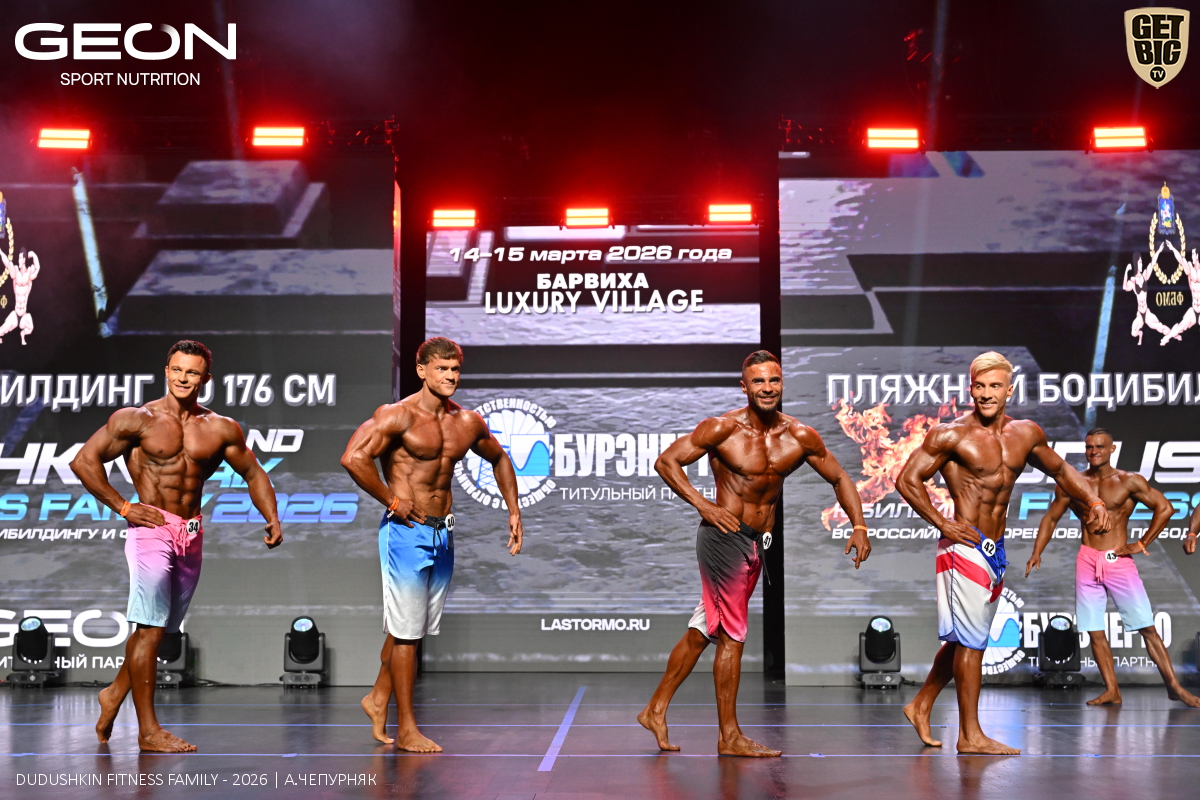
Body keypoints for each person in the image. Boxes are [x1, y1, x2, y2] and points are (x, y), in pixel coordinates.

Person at [637, 350, 872, 757]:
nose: (767, 388)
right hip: (723, 538)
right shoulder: (722, 429)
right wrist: (704, 505)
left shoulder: (799, 436)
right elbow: (667, 462)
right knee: (732, 636)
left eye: (773, 380)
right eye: (758, 381)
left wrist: (859, 525)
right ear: (744, 386)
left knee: (704, 630)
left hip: (756, 544)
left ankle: (655, 710)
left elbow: (838, 477)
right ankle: (729, 737)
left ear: (782, 384)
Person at [70, 340, 283, 752]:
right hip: (150, 527)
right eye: (177, 370)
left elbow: (254, 472)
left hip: (190, 532)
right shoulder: (137, 419)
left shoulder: (221, 428)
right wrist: (124, 506)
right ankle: (148, 732)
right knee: (150, 627)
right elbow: (83, 461)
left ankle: (113, 694)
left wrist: (272, 516)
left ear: (206, 378)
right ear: (166, 371)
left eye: (193, 372)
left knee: (161, 631)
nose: (183, 378)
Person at [896, 351, 1110, 755]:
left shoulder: (1025, 433)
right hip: (963, 547)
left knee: (967, 639)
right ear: (970, 388)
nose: (986, 394)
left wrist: (1094, 501)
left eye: (995, 386)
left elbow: (1062, 471)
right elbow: (907, 479)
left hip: (995, 550)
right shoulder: (951, 434)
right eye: (979, 386)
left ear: (1010, 390)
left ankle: (921, 704)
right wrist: (943, 524)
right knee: (973, 643)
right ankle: (969, 735)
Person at [341, 337, 522, 753]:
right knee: (407, 634)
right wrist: (392, 500)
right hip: (405, 533)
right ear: (421, 370)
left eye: (455, 369)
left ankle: (377, 697)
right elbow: (353, 458)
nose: (450, 376)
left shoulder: (467, 422)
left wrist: (513, 510)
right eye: (442, 369)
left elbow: (499, 458)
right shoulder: (397, 415)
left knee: (412, 627)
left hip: (443, 533)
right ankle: (407, 727)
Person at [1026, 428, 1200, 707]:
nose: (1093, 452)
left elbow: (1165, 508)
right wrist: (1037, 551)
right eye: (1089, 447)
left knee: (1147, 627)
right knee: (1094, 630)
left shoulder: (1128, 481)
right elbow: (1051, 518)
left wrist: (1142, 543)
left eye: (1099, 447)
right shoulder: (1073, 483)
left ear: (1111, 449)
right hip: (1087, 559)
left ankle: (1174, 687)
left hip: (1118, 560)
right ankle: (1112, 690)